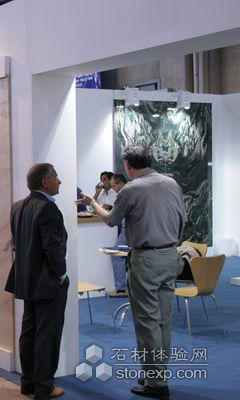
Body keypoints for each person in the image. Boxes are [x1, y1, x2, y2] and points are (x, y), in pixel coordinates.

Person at [77, 144, 186, 399]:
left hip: (146, 259)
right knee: (163, 320)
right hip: (170, 255)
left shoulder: (131, 189)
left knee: (147, 321)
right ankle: (156, 373)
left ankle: (155, 383)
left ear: (127, 165)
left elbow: (112, 220)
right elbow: (183, 219)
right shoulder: (172, 184)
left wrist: (93, 204)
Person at [5, 163, 68, 400]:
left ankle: (28, 383)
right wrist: (61, 274)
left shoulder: (17, 207)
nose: (59, 181)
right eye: (56, 177)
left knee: (29, 332)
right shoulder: (48, 208)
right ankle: (44, 387)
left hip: (25, 280)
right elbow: (53, 247)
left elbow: (17, 244)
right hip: (48, 283)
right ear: (45, 182)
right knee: (47, 335)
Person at [108, 173, 128, 297]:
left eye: (114, 186)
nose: (113, 189)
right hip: (129, 230)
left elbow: (113, 218)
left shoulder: (124, 194)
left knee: (116, 254)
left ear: (120, 183)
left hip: (129, 231)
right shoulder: (130, 192)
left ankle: (120, 289)